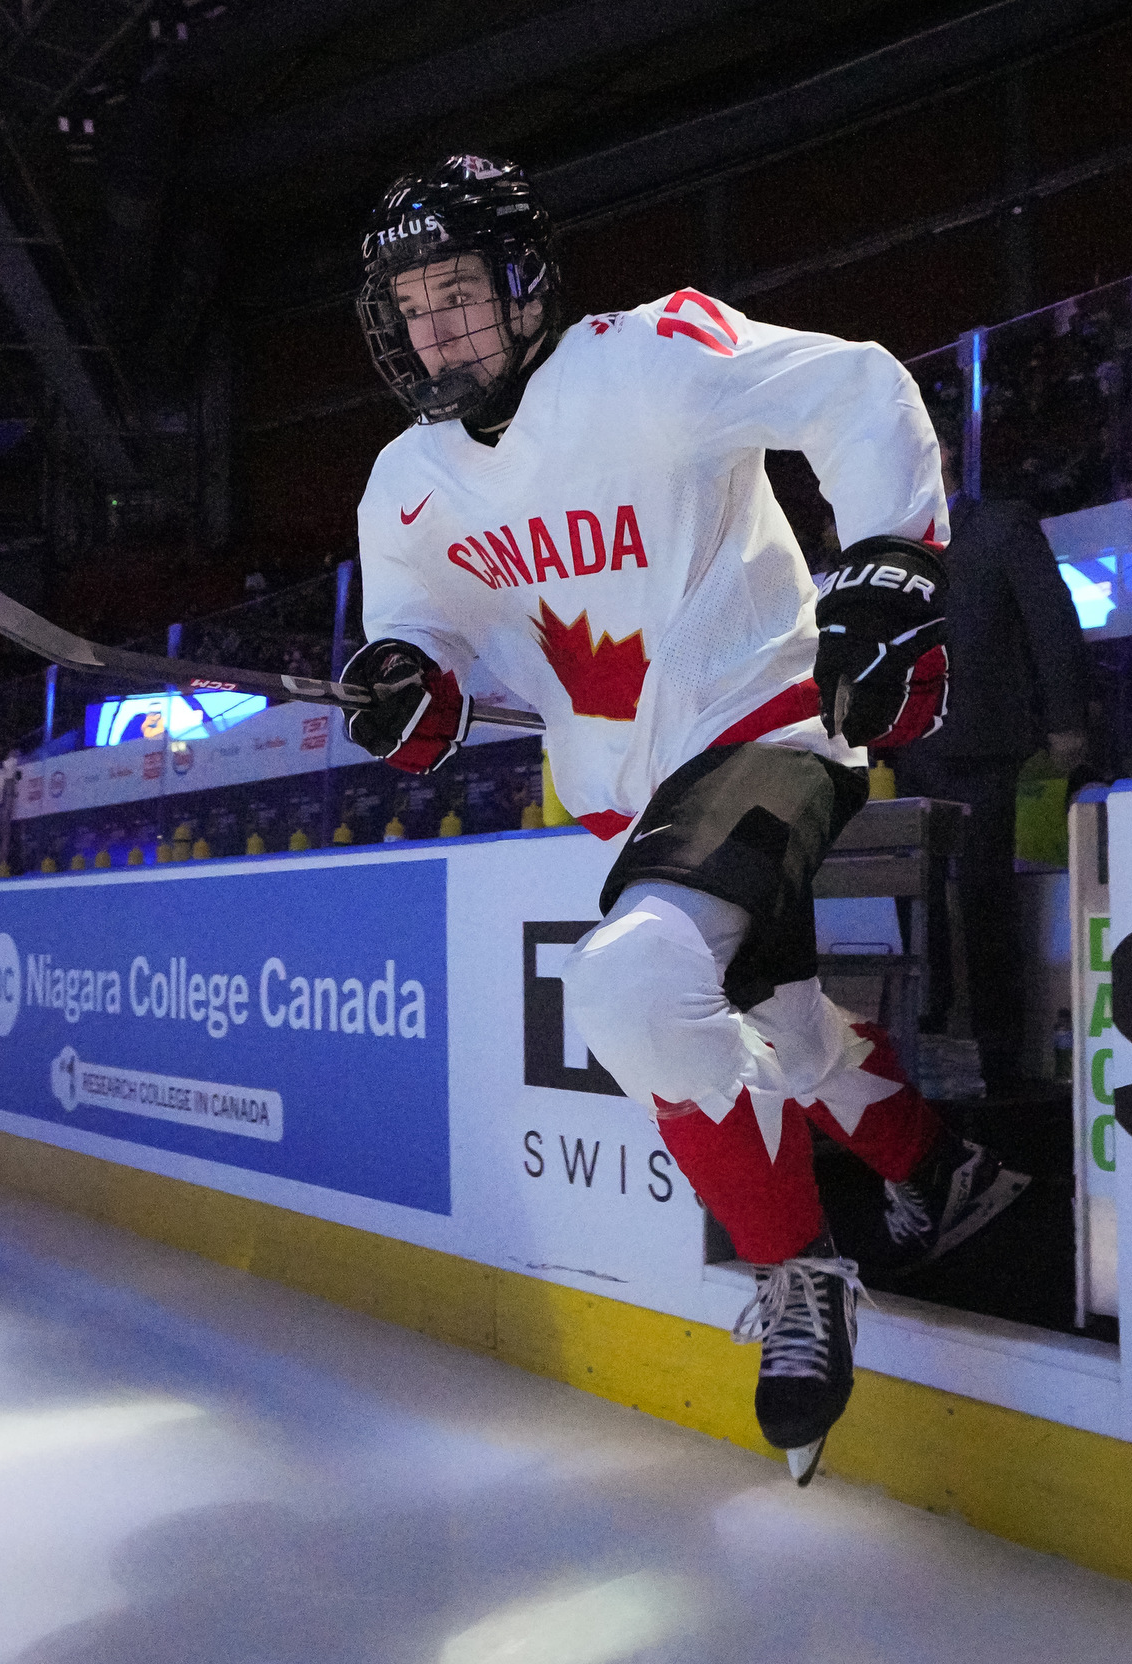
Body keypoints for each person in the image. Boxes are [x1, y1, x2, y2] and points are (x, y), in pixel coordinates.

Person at [340, 155, 1028, 1484]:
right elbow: (421, 656)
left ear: (526, 287)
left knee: (636, 982)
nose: (435, 328)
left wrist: (891, 559)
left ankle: (797, 1274)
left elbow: (856, 387)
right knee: (778, 1027)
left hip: (771, 729)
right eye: (412, 304)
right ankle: (943, 1173)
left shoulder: (649, 357)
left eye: (459, 294)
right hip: (627, 804)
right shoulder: (401, 486)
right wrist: (406, 688)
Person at [886, 422, 1090, 1087]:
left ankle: (1004, 1058)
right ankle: (929, 1029)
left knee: (984, 900)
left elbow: (1052, 621)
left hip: (982, 740)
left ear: (943, 452)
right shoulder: (887, 543)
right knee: (915, 904)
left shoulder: (1001, 524)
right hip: (907, 743)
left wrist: (1065, 720)